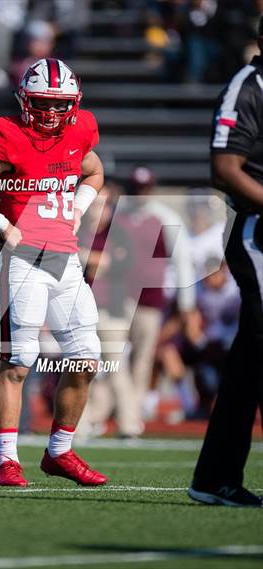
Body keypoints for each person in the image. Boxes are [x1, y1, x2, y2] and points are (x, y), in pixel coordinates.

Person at [0, 58, 107, 487]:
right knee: (19, 361)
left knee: (87, 359)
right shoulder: (7, 135)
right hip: (21, 260)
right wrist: (4, 225)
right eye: (43, 103)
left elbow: (94, 171)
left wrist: (77, 209)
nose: (53, 113)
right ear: (25, 99)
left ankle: (59, 451)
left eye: (60, 105)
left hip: (65, 260)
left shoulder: (80, 131)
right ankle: (7, 460)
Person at [188, 17, 263, 508]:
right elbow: (224, 168)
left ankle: (215, 476)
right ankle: (216, 476)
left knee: (252, 358)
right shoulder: (249, 86)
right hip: (259, 233)